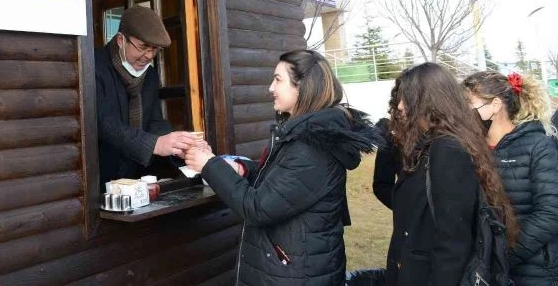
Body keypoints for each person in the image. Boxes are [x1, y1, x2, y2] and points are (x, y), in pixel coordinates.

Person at [185, 49, 379, 285]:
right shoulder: (304, 136)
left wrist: (209, 165)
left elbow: (258, 207)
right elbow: (281, 180)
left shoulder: (311, 148)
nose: (270, 88)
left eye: (278, 79)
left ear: (302, 87)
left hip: (294, 275)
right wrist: (244, 170)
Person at [385, 62, 517, 286]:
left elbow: (453, 241)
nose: (399, 105)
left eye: (406, 97)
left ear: (428, 100)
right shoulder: (428, 145)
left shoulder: (447, 150)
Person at [463, 70, 558, 286]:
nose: (463, 112)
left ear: (495, 106)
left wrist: (501, 255)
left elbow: (551, 212)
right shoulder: (471, 150)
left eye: (468, 104)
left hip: (533, 271)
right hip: (486, 270)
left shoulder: (539, 146)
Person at [96, 5, 198, 187]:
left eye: (154, 49)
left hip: (136, 177)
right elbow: (104, 123)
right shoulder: (95, 66)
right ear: (120, 40)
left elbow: (154, 122)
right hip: (98, 177)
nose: (148, 56)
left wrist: (177, 145)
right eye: (143, 47)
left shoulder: (150, 76)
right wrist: (154, 144)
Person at [372, 77, 402, 210]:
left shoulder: (453, 138)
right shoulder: (391, 135)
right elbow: (382, 185)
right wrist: (407, 208)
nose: (401, 105)